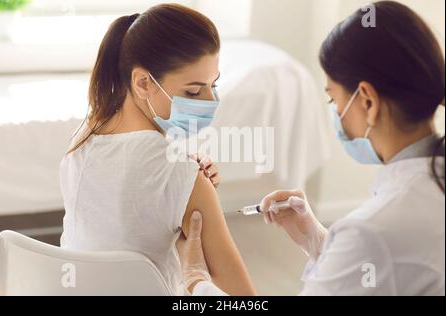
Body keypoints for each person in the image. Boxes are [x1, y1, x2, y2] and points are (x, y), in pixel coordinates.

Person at [176, 1, 445, 296]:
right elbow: (388, 270)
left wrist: (196, 280)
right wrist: (318, 240)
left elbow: (378, 252)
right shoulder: (408, 206)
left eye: (333, 100)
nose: (334, 112)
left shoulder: (372, 232)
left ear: (367, 102)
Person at [60, 4, 256, 296]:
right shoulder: (178, 173)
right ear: (143, 82)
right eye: (193, 91)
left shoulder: (84, 135)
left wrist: (183, 172)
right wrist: (194, 278)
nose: (210, 101)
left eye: (213, 85)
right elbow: (246, 301)